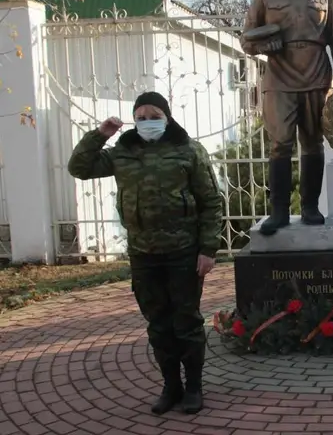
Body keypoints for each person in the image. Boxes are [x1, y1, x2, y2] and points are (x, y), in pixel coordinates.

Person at [67, 91, 223, 415]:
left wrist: (208, 249)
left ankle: (194, 387)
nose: (147, 122)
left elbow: (211, 201)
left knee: (187, 322)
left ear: (167, 118)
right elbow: (79, 167)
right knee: (158, 324)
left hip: (183, 252)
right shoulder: (123, 152)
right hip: (144, 254)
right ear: (133, 120)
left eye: (154, 116)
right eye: (141, 117)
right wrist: (100, 135)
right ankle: (171, 386)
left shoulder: (189, 151)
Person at [240, 0, 333, 236]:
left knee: (313, 143)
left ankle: (310, 207)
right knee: (280, 144)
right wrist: (265, 47)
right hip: (280, 75)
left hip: (317, 75)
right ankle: (278, 211)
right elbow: (247, 41)